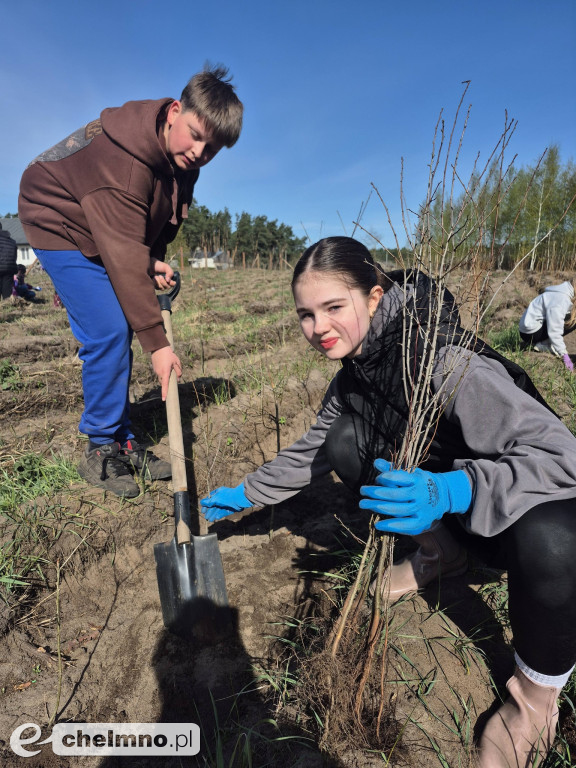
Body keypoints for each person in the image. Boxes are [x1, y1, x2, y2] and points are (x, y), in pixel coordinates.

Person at [201, 236, 576, 768]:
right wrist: (247, 493)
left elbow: (565, 459)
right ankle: (441, 554)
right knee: (345, 442)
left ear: (375, 297)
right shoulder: (353, 376)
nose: (319, 327)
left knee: (554, 539)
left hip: (518, 518)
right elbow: (313, 452)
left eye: (334, 307)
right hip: (451, 517)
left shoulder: (445, 363)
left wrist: (454, 489)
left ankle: (534, 702)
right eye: (306, 314)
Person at [18, 65, 243, 499]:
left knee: (118, 322)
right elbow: (121, 251)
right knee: (108, 329)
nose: (199, 152)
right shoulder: (125, 164)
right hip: (57, 217)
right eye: (196, 135)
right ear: (175, 112)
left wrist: (151, 259)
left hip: (103, 222)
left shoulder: (182, 162)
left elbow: (157, 219)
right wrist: (158, 345)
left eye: (212, 148)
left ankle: (123, 437)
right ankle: (101, 445)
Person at [519, 279, 576, 372]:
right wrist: (565, 355)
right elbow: (555, 330)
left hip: (529, 330)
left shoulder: (563, 292)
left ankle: (543, 343)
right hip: (531, 334)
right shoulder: (561, 299)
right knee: (573, 320)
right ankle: (544, 343)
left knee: (571, 316)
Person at [0, 223, 18, 300]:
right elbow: (15, 256)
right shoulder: (12, 241)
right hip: (9, 268)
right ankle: (7, 304)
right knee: (7, 294)